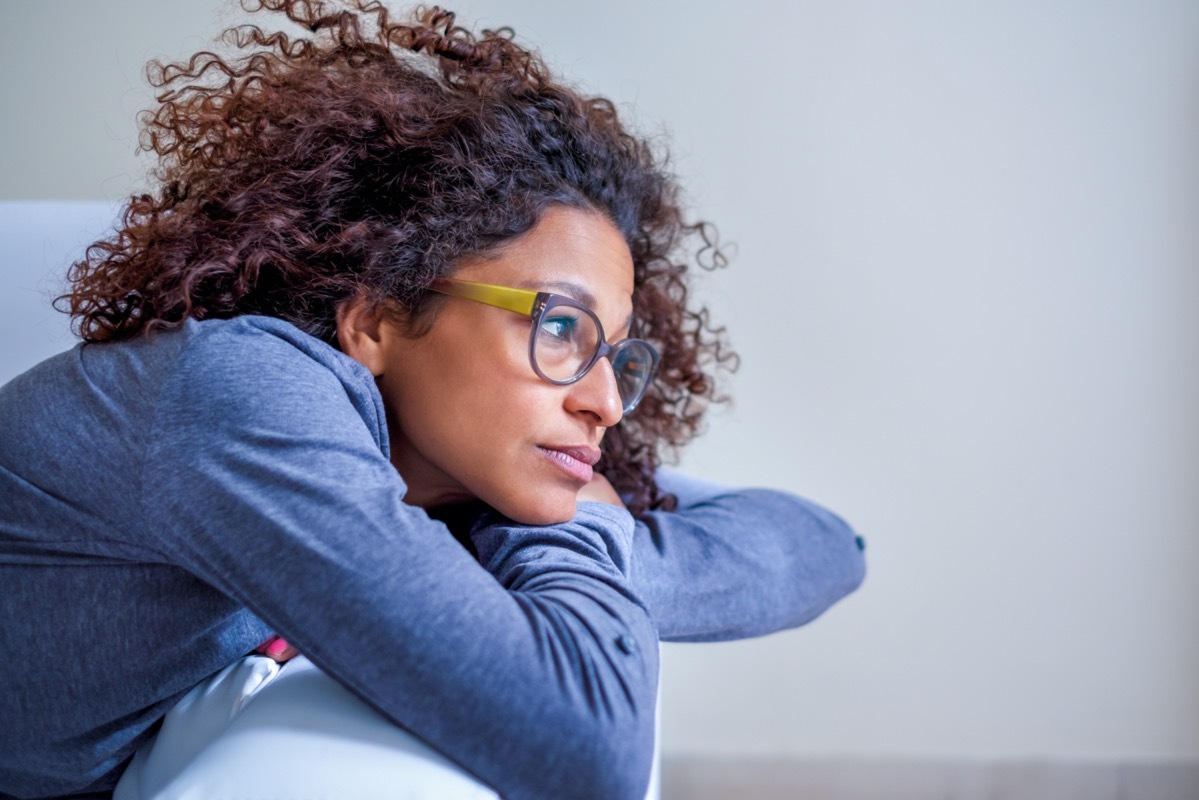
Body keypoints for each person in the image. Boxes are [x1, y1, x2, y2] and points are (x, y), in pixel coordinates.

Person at [0, 2, 865, 798]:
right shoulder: (237, 396)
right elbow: (586, 746)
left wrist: (549, 533)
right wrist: (578, 534)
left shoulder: (448, 458)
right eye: (560, 326)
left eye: (614, 351)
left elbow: (829, 542)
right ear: (376, 318)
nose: (605, 400)